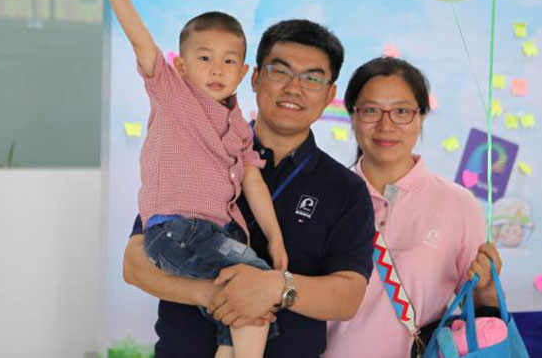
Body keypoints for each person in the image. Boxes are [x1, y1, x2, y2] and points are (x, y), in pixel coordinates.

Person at [123, 19, 375, 357]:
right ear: (254, 78)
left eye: (312, 78)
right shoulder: (194, 145)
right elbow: (134, 265)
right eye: (280, 72)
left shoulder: (345, 189)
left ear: (330, 94)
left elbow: (347, 298)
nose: (294, 88)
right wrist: (211, 295)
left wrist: (276, 287)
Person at [86, 0, 287, 358]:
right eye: (204, 58)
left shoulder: (240, 127)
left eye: (228, 61)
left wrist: (275, 237)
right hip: (177, 231)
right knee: (253, 280)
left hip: (212, 234)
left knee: (236, 301)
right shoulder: (172, 95)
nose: (217, 69)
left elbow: (252, 181)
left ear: (243, 72)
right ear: (180, 65)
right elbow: (141, 41)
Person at [324, 56, 503, 358]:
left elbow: (481, 314)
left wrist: (486, 287)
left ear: (421, 118)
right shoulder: (325, 196)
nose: (386, 125)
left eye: (402, 111)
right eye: (371, 110)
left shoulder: (458, 205)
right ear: (353, 116)